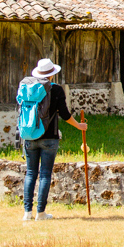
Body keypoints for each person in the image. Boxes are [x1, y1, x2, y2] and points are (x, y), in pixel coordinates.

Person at [22, 58, 87, 221]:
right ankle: (40, 213)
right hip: (49, 138)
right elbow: (65, 115)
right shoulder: (56, 90)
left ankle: (27, 213)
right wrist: (79, 126)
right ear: (52, 74)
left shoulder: (28, 88)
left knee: (30, 173)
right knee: (44, 174)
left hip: (29, 135)